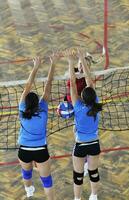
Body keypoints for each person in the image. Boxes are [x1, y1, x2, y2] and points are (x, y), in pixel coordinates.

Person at [18, 54, 59, 200]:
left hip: (24, 150)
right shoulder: (43, 111)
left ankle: (29, 191)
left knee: (26, 173)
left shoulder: (22, 109)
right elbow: (48, 84)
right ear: (38, 103)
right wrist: (53, 64)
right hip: (41, 151)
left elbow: (28, 86)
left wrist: (35, 66)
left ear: (26, 102)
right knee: (47, 182)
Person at [66, 48, 103, 200]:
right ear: (93, 96)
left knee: (78, 176)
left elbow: (73, 84)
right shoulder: (97, 105)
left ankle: (77, 199)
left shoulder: (78, 107)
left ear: (81, 97)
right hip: (94, 143)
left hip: (80, 145)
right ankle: (94, 196)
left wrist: (71, 62)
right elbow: (89, 81)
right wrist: (82, 60)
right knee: (94, 173)